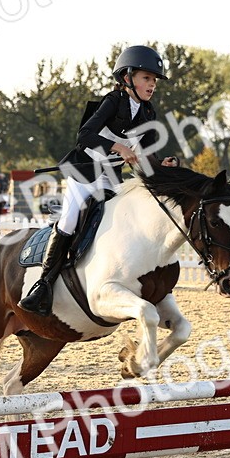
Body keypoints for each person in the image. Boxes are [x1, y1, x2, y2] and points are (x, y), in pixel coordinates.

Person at [19, 44, 180, 315]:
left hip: (110, 178)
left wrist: (162, 164)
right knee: (70, 220)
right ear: (127, 77)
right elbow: (85, 135)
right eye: (146, 78)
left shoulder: (148, 113)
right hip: (85, 173)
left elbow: (147, 156)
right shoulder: (112, 101)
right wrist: (119, 148)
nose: (152, 85)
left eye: (154, 80)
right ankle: (43, 284)